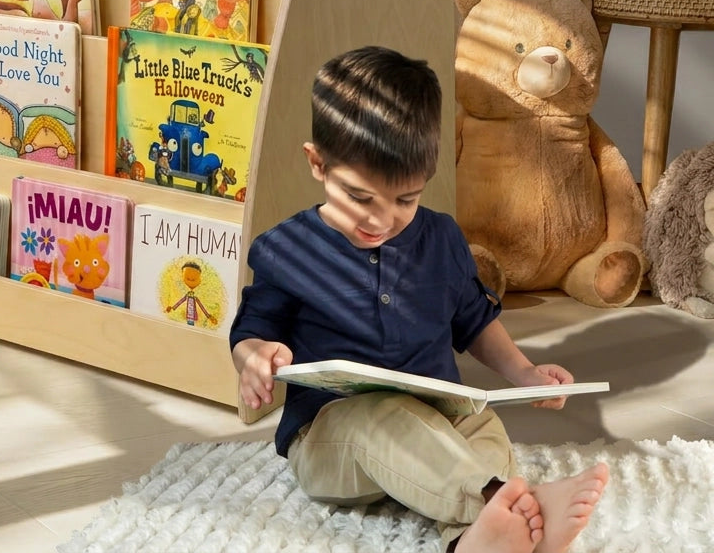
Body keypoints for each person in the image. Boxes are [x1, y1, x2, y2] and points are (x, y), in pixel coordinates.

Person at [229, 46, 608, 553]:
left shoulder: (442, 238)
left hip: (439, 411)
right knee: (378, 417)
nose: (381, 221)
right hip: (334, 437)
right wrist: (255, 357)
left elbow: (472, 321)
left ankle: (472, 541)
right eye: (360, 198)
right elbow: (250, 330)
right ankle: (514, 502)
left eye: (405, 200)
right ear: (317, 163)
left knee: (483, 425)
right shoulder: (287, 250)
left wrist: (524, 373)